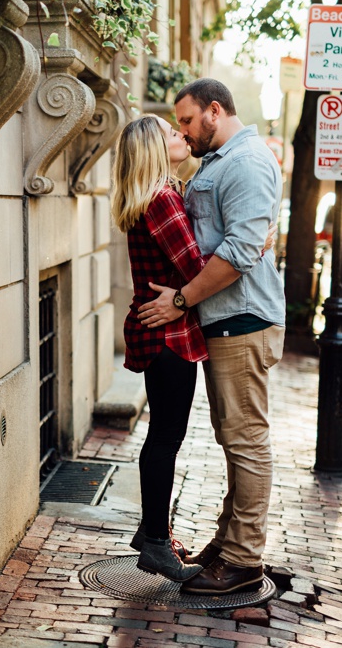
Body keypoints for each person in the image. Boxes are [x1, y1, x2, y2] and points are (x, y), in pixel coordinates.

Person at [138, 78, 286, 595]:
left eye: (185, 120)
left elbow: (241, 249)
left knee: (245, 441)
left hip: (243, 320)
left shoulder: (244, 161)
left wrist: (180, 299)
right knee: (233, 439)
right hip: (223, 319)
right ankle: (228, 543)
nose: (182, 130)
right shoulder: (222, 160)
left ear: (215, 111)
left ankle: (243, 560)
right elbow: (238, 236)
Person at [112, 115, 207, 583]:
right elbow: (196, 266)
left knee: (162, 435)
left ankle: (153, 532)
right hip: (169, 335)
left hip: (160, 332)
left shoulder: (149, 197)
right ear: (154, 148)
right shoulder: (162, 200)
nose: (181, 136)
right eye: (172, 132)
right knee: (166, 438)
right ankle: (154, 543)